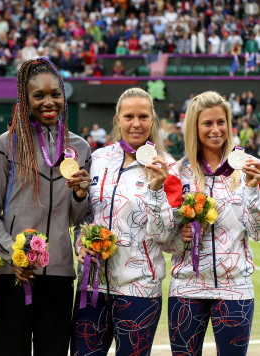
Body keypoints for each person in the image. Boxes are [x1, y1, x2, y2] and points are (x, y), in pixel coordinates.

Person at [0, 57, 91, 356]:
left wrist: (81, 195)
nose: (49, 102)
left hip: (58, 273)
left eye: (55, 93)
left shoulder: (79, 147)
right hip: (15, 274)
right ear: (24, 98)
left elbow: (78, 218)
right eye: (39, 95)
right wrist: (11, 255)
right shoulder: (5, 145)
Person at [150, 91, 260, 356]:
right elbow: (162, 237)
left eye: (221, 122)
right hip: (187, 288)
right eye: (207, 123)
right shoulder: (177, 173)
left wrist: (254, 191)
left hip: (235, 290)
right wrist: (182, 236)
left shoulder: (248, 169)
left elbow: (258, 233)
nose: (215, 130)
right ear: (194, 127)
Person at [72, 88, 176, 356]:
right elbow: (84, 215)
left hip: (139, 290)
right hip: (92, 286)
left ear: (152, 120)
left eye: (143, 116)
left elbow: (166, 236)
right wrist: (80, 244)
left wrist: (155, 189)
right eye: (129, 116)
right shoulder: (97, 159)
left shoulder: (168, 167)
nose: (136, 124)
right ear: (117, 119)